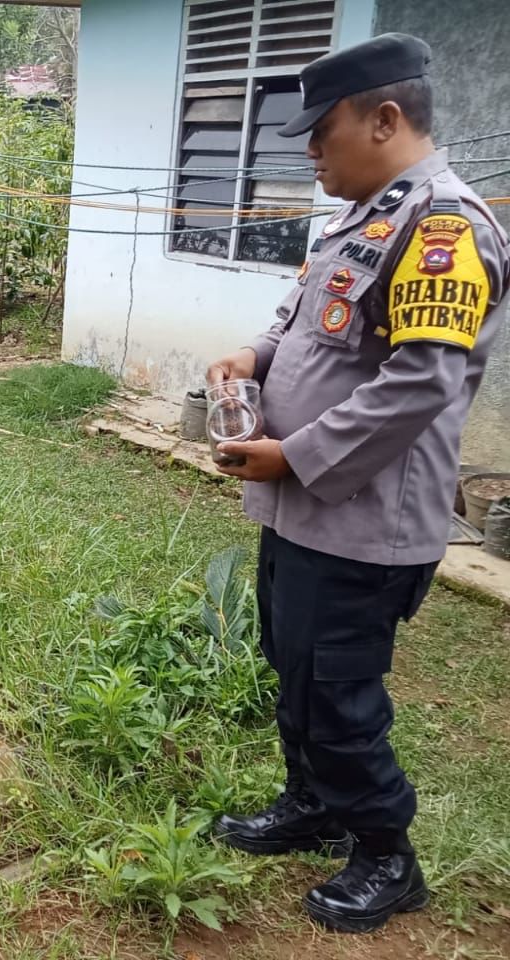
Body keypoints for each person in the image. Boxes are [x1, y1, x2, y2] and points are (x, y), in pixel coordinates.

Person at [204, 33, 510, 934]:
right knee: (293, 672)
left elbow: (421, 380)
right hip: (305, 513)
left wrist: (292, 454)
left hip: (363, 522)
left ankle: (385, 853)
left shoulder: (443, 229)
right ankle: (314, 806)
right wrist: (252, 355)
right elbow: (309, 330)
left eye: (321, 131)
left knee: (338, 692)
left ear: (384, 119)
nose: (309, 152)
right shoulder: (362, 218)